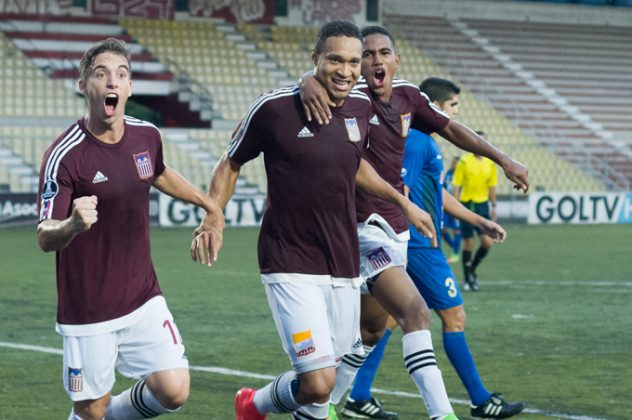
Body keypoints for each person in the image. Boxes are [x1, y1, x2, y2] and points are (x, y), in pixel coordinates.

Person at [191, 21, 437, 420]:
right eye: (334, 59)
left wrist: (401, 201)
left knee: (322, 378)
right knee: (321, 383)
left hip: (341, 262)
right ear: (315, 59)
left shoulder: (360, 107)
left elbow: (354, 164)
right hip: (288, 259)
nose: (346, 70)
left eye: (353, 61)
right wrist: (214, 216)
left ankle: (254, 404)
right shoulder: (273, 109)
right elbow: (231, 160)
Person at [300, 26, 528, 420]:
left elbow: (454, 129)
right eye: (366, 54)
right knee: (415, 314)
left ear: (395, 60)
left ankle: (325, 407)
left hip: (396, 231)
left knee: (371, 330)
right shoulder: (347, 102)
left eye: (382, 53)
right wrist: (306, 81)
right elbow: (318, 104)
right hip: (357, 228)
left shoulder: (408, 97)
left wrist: (503, 159)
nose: (374, 61)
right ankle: (444, 414)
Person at [36, 38, 224, 420]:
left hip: (142, 297)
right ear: (83, 84)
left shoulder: (146, 135)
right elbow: (44, 235)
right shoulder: (64, 155)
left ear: (129, 88)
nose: (112, 83)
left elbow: (157, 172)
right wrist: (72, 225)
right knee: (90, 410)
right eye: (101, 74)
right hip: (88, 307)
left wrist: (208, 203)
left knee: (174, 389)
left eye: (121, 75)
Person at [403, 77, 524, 418]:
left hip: (416, 244)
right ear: (437, 108)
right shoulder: (417, 142)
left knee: (380, 325)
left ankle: (352, 396)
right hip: (419, 246)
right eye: (454, 106)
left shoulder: (423, 141)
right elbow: (401, 190)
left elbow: (434, 192)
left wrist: (479, 221)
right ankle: (481, 401)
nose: (457, 113)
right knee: (454, 317)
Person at [452, 131, 499, 291]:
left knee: (487, 242)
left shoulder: (490, 164)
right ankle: (467, 277)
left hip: (482, 205)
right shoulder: (464, 162)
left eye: (484, 142)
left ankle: (471, 269)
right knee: (469, 242)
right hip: (467, 204)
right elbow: (456, 185)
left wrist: (494, 206)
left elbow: (491, 187)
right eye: (478, 141)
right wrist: (455, 205)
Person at [443, 156, 462, 263]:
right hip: (446, 204)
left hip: (456, 205)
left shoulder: (460, 175)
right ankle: (454, 246)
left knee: (456, 229)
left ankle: (455, 254)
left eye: (456, 163)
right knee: (443, 229)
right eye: (453, 163)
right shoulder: (449, 174)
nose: (454, 165)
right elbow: (444, 187)